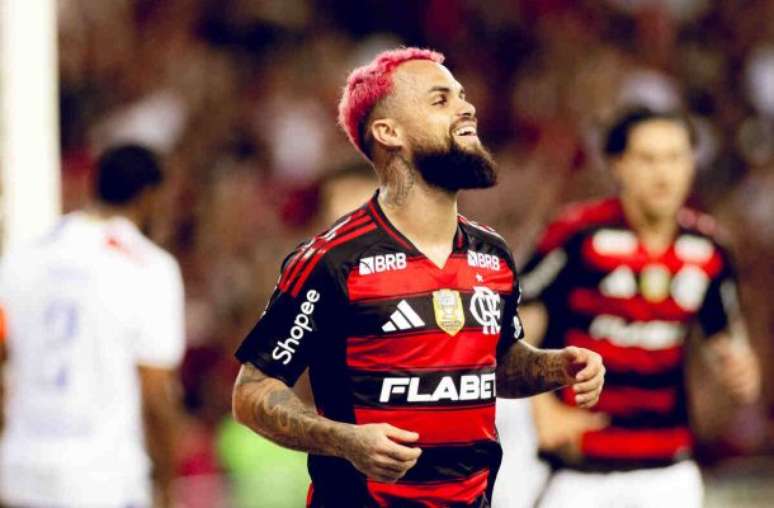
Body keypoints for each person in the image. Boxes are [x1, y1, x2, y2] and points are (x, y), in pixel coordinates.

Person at [231, 47, 605, 508]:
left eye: (462, 96)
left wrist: (556, 367)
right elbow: (253, 391)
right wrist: (346, 440)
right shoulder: (333, 260)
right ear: (389, 132)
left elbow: (498, 365)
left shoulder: (493, 253)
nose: (466, 108)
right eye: (440, 100)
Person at [516, 108, 761, 508]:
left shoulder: (710, 248)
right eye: (648, 159)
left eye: (675, 158)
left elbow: (726, 340)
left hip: (668, 469)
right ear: (619, 166)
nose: (663, 174)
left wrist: (738, 369)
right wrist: (542, 410)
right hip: (578, 468)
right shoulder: (576, 235)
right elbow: (511, 327)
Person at [0, 145, 187, 507]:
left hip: (21, 475)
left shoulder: (23, 257)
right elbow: (155, 394)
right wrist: (167, 483)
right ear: (151, 196)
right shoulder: (148, 268)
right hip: (102, 480)